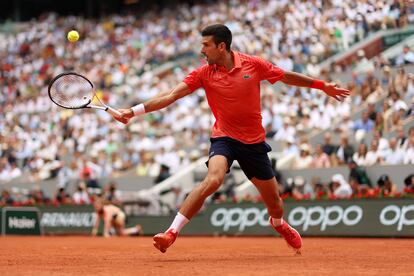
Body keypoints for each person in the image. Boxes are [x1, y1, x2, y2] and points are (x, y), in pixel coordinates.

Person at [115, 24, 350, 253]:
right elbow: (171, 95)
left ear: (221, 46)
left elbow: (286, 76)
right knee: (213, 180)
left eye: (206, 45)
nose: (202, 50)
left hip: (254, 143)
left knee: (276, 205)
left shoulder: (253, 64)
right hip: (224, 138)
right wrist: (133, 111)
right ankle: (171, 233)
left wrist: (322, 86)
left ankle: (278, 224)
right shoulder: (203, 73)